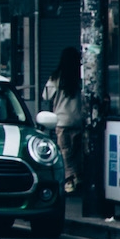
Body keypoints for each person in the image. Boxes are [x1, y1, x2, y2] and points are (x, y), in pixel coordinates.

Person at [42, 49, 84, 193]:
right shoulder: (82, 79)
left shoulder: (56, 78)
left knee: (65, 152)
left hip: (62, 121)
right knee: (78, 152)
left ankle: (69, 180)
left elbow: (46, 96)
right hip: (79, 121)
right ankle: (78, 177)